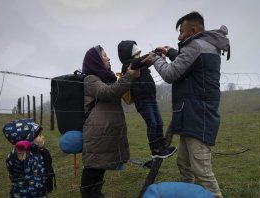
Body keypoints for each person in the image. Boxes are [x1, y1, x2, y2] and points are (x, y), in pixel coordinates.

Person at [142, 11, 230, 198]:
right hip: (194, 114)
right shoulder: (206, 44)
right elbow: (191, 63)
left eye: (181, 31)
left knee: (202, 171)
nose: (179, 36)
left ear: (193, 30)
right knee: (184, 164)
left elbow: (171, 74)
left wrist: (156, 58)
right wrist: (172, 52)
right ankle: (189, 194)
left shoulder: (195, 46)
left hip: (197, 115)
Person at [80, 45, 140, 197]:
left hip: (104, 133)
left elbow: (117, 88)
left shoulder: (107, 78)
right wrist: (129, 76)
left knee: (99, 170)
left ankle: (96, 193)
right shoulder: (90, 79)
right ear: (96, 60)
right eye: (104, 56)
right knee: (93, 170)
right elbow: (109, 92)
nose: (108, 58)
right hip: (97, 134)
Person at [117, 40, 176, 159]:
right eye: (136, 54)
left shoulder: (140, 62)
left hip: (150, 97)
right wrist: (153, 54)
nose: (139, 56)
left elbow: (145, 60)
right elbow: (137, 62)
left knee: (159, 122)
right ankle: (155, 150)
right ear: (129, 55)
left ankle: (162, 146)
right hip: (141, 100)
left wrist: (156, 53)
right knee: (152, 123)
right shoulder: (128, 65)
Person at [3, 118, 55, 198]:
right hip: (22, 195)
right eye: (39, 135)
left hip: (40, 193)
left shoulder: (40, 152)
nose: (43, 137)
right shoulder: (21, 155)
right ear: (29, 139)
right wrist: (20, 152)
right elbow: (13, 166)